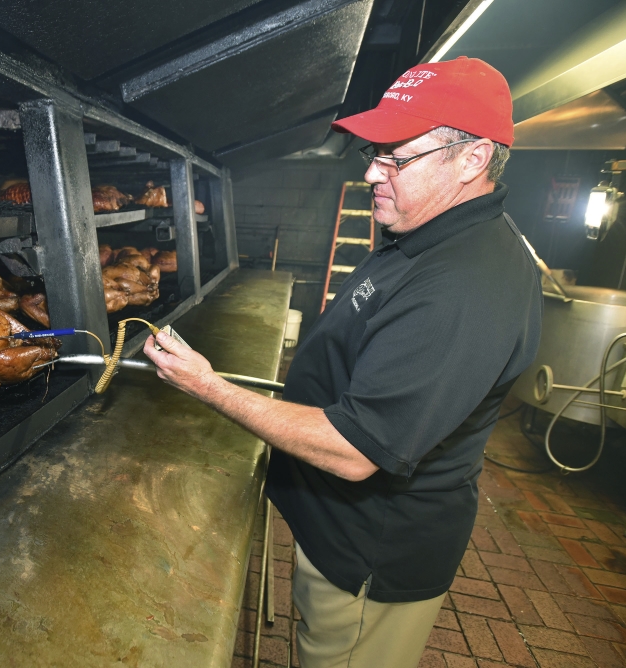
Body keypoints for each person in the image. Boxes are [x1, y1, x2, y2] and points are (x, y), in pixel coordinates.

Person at [143, 56, 542, 668]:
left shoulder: (465, 284)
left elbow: (357, 451)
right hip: (338, 533)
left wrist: (209, 387)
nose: (374, 175)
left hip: (372, 555)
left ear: (472, 159)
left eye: (396, 158)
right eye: (372, 155)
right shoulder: (423, 230)